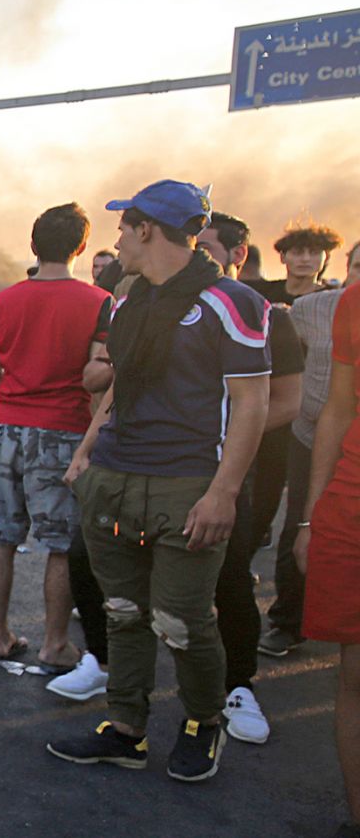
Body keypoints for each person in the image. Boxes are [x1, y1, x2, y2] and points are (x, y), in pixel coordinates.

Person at [47, 179, 269, 784]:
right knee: (121, 612)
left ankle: (202, 724)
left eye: (123, 226)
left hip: (188, 485)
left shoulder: (231, 300)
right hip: (115, 478)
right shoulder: (125, 298)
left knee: (182, 621)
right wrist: (88, 451)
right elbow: (122, 382)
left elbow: (251, 404)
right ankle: (126, 730)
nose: (116, 236)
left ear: (146, 229)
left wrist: (223, 492)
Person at [0, 204, 115, 685]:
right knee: (60, 545)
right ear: (79, 247)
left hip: (6, 427)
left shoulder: (1, 301)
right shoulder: (100, 303)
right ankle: (55, 643)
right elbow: (98, 376)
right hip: (65, 432)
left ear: (33, 245)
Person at [194, 212, 304, 746]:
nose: (198, 256)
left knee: (231, 575)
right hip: (165, 466)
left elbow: (286, 402)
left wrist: (226, 432)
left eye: (209, 248)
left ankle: (239, 686)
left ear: (238, 255)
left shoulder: (266, 316)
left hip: (235, 469)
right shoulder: (172, 308)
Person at [269, 240, 360, 659]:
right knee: (300, 529)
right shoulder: (315, 309)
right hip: (314, 432)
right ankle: (288, 622)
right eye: (358, 266)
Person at [297, 275, 360, 838]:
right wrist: (311, 519)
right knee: (356, 672)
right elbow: (337, 410)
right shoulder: (355, 302)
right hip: (351, 509)